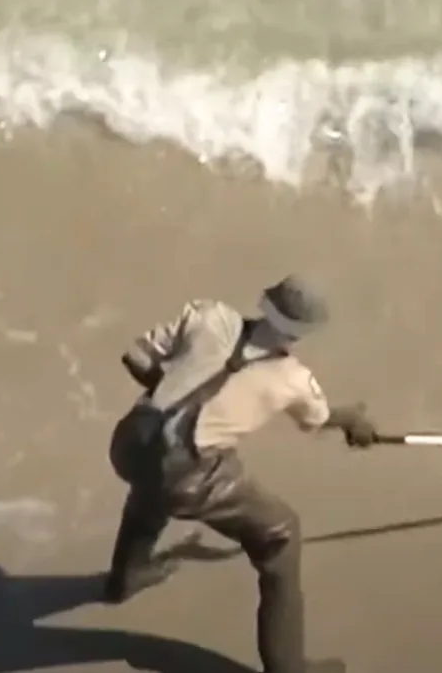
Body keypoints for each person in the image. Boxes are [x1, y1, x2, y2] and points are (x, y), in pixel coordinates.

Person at [103, 275, 379, 673]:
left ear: (266, 301)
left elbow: (137, 356)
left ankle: (125, 577)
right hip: (189, 472)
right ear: (304, 332)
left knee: (155, 477)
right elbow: (318, 419)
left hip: (130, 442)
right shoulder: (293, 379)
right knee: (281, 532)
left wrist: (179, 401)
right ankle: (287, 667)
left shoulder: (208, 316)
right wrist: (353, 420)